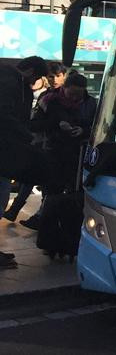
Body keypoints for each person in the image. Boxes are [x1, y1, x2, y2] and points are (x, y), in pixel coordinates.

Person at [25, 72, 96, 231]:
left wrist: (83, 131)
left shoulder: (91, 103)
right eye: (72, 94)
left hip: (78, 156)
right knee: (51, 192)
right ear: (64, 88)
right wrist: (57, 124)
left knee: (73, 193)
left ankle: (68, 231)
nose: (75, 98)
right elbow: (34, 125)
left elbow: (96, 126)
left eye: (79, 95)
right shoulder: (49, 100)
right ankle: (48, 232)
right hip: (53, 153)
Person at [0, 56, 50, 268]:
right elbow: (5, 115)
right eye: (37, 76)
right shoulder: (10, 81)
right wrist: (26, 135)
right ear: (29, 70)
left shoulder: (12, 80)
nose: (36, 81)